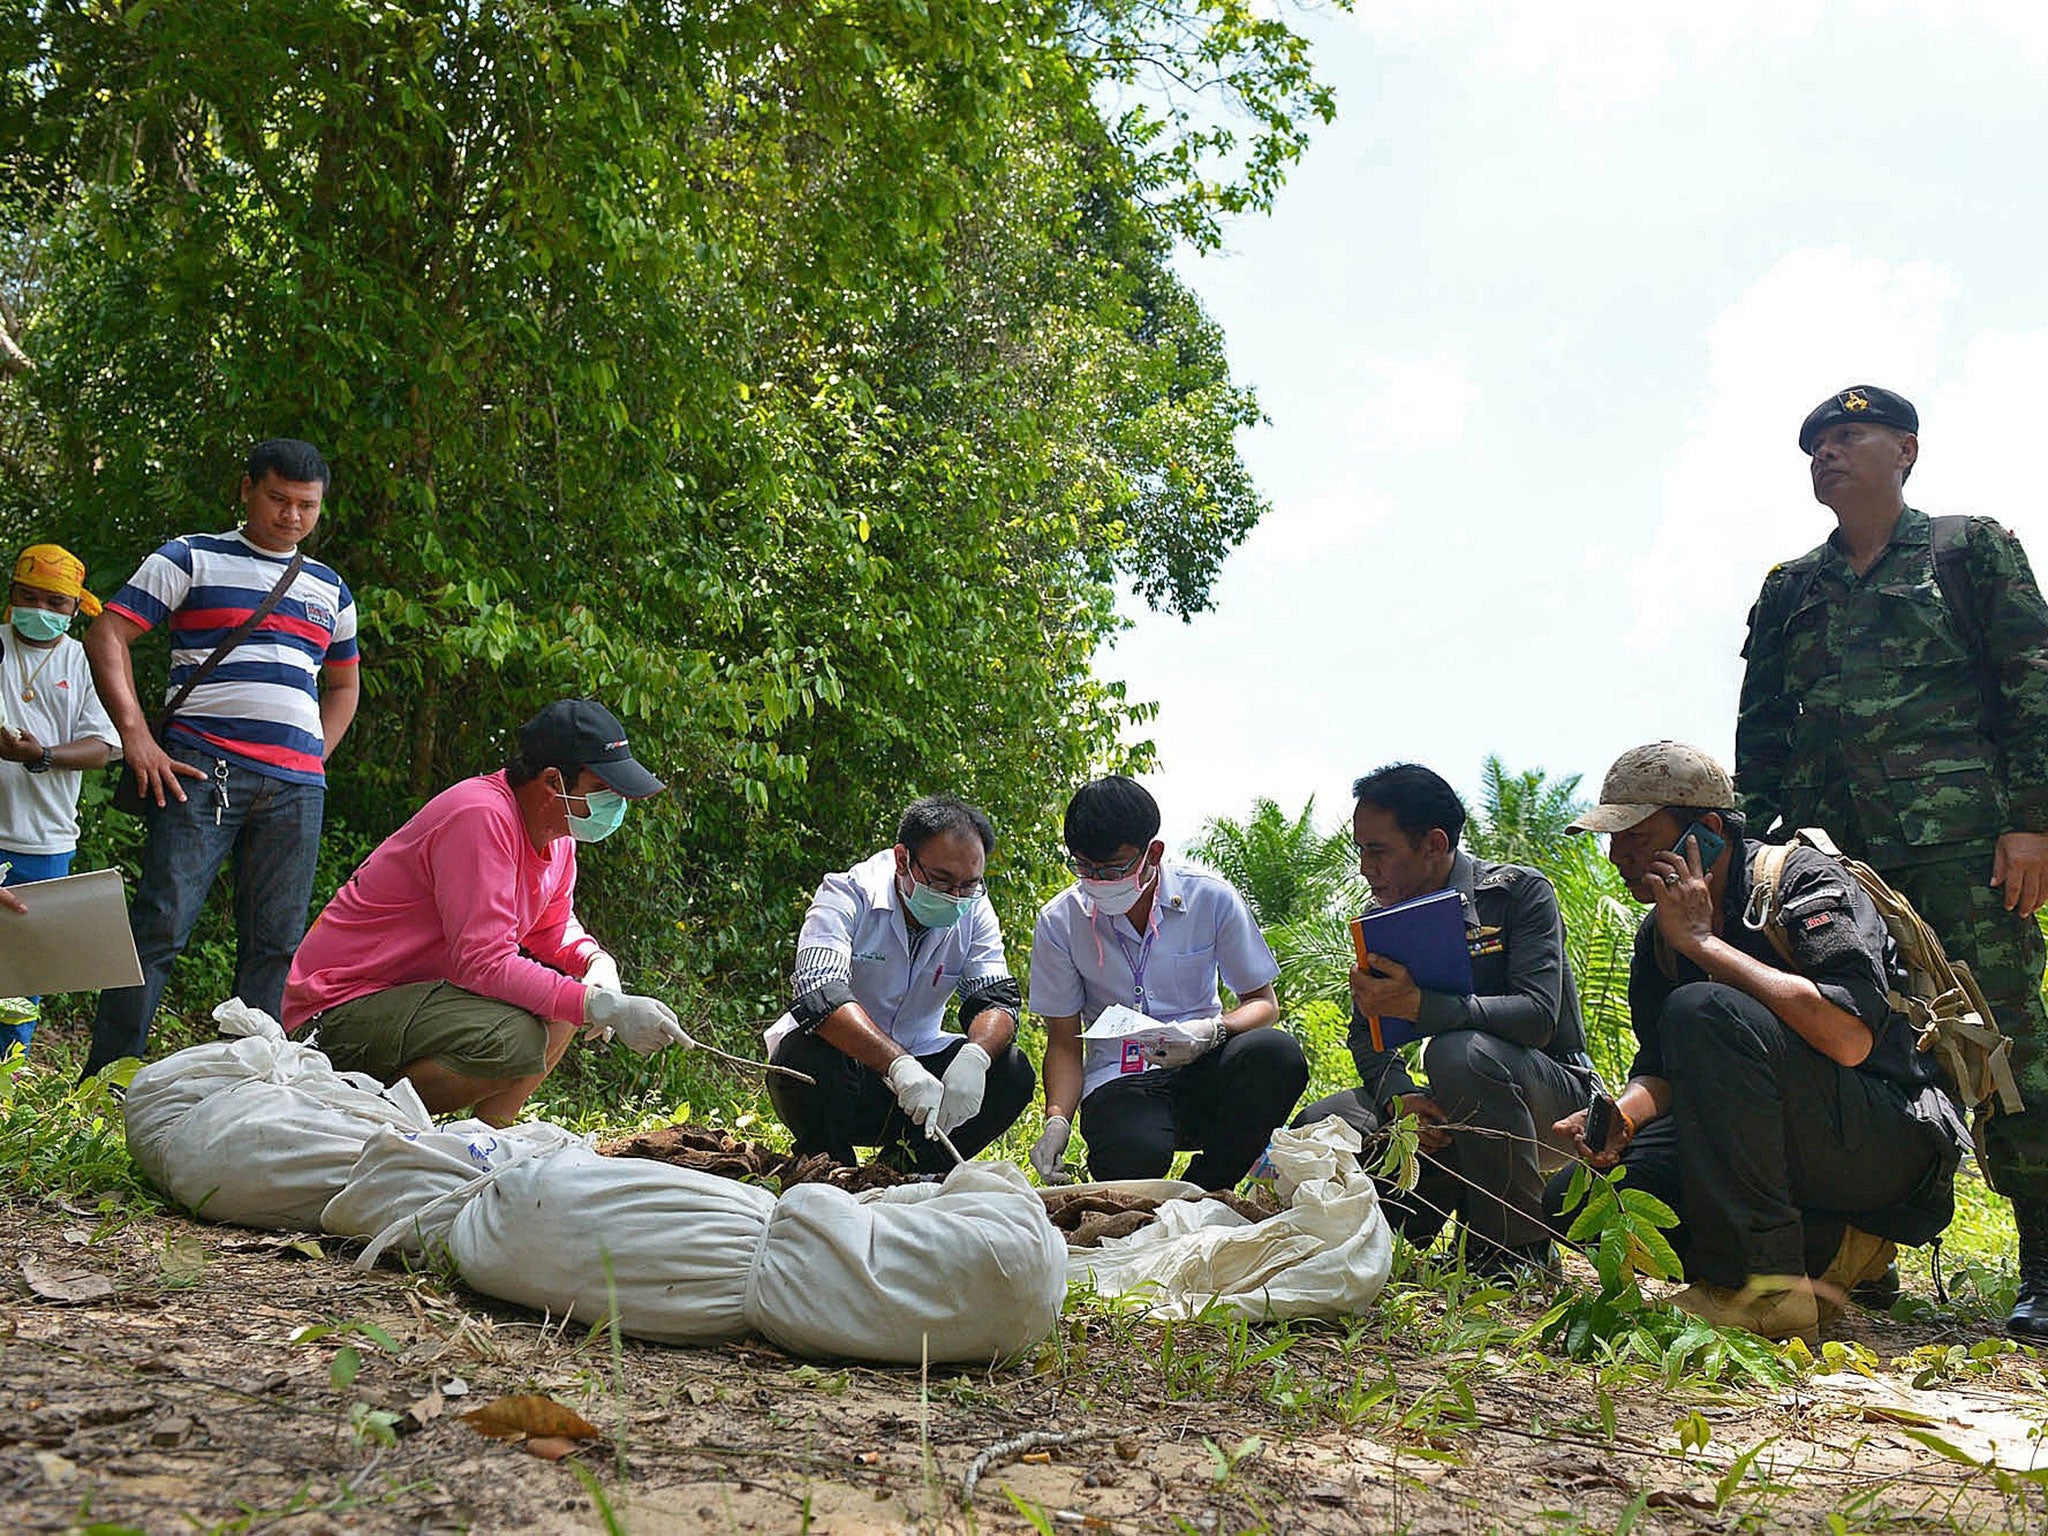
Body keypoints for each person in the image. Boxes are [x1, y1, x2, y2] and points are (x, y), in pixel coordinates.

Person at [1735, 385, 2048, 1338]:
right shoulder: (1793, 587)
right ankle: (1862, 1252)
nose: (1827, 454)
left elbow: (2033, 679)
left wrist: (2032, 820)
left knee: (2005, 1041)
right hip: (1841, 868)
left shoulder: (1968, 550)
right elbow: (1759, 740)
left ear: (1904, 450)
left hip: (1964, 847)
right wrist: (1761, 858)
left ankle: (2045, 1255)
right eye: (1816, 444)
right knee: (1858, 1044)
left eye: (1848, 436)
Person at [1547, 742, 1967, 1344]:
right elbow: (1663, 1069)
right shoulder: (1660, 937)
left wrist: (1706, 946)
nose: (1619, 856)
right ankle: (1834, 1252)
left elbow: (1850, 1038)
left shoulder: (1800, 882)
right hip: (1784, 1142)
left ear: (1708, 832)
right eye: (1614, 840)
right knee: (1575, 1199)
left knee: (1705, 1006)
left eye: (1636, 838)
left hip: (1886, 1133)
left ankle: (1764, 1288)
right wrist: (1624, 1117)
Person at [82, 439, 361, 1075]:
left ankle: (250, 1091)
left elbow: (344, 686)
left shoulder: (329, 588)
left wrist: (314, 756)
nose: (291, 516)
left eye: (306, 506)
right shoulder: (190, 556)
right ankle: (104, 1084)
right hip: (201, 768)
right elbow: (108, 632)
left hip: (296, 789)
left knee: (275, 946)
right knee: (159, 926)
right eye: (278, 499)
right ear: (246, 490)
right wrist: (136, 737)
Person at [282, 698, 686, 1125]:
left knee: (567, 1007)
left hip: (409, 1001)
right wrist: (606, 1007)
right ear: (553, 781)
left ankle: (489, 1139)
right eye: (604, 790)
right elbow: (484, 963)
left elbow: (551, 928)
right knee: (513, 1039)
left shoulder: (558, 836)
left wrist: (595, 961)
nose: (616, 804)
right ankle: (367, 1122)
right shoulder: (479, 816)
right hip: (336, 1010)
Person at [1296, 764, 1591, 1275]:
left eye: (1377, 850)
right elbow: (1364, 1033)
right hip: (1449, 1097)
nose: (1366, 868)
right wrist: (1399, 1098)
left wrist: (1423, 1008)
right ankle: (1396, 1229)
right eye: (1360, 850)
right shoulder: (1383, 919)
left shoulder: (1518, 894)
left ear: (1433, 844)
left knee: (1460, 1053)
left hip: (1553, 1104)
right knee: (1323, 1124)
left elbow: (1539, 1016)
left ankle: (1515, 1250)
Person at [1028, 776, 1301, 1189]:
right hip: (1120, 1080)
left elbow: (1263, 1002)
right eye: (1086, 868)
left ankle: (1208, 1191)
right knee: (1131, 1156)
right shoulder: (1060, 921)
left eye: (1115, 868)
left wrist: (1211, 1031)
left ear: (1153, 853)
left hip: (1203, 1063)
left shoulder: (1211, 899)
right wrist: (1057, 1121)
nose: (1099, 881)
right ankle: (1144, 1200)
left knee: (1276, 1054)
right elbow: (1064, 1041)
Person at [764, 795, 1034, 1174]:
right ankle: (830, 1167)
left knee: (1011, 1070)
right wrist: (897, 1065)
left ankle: (902, 1171)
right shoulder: (847, 894)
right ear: (903, 859)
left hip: (925, 1085)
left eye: (968, 885)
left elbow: (996, 998)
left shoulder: (974, 909)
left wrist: (974, 1058)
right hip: (842, 1075)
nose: (954, 897)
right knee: (803, 1053)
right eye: (941, 880)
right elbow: (819, 991)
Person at [0, 545, 120, 1054]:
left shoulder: (79, 659)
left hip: (45, 842)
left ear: (76, 609)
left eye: (55, 602)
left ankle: (8, 1083)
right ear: (11, 596)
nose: (41, 611)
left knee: (23, 976)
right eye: (29, 598)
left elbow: (105, 745)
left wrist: (42, 754)